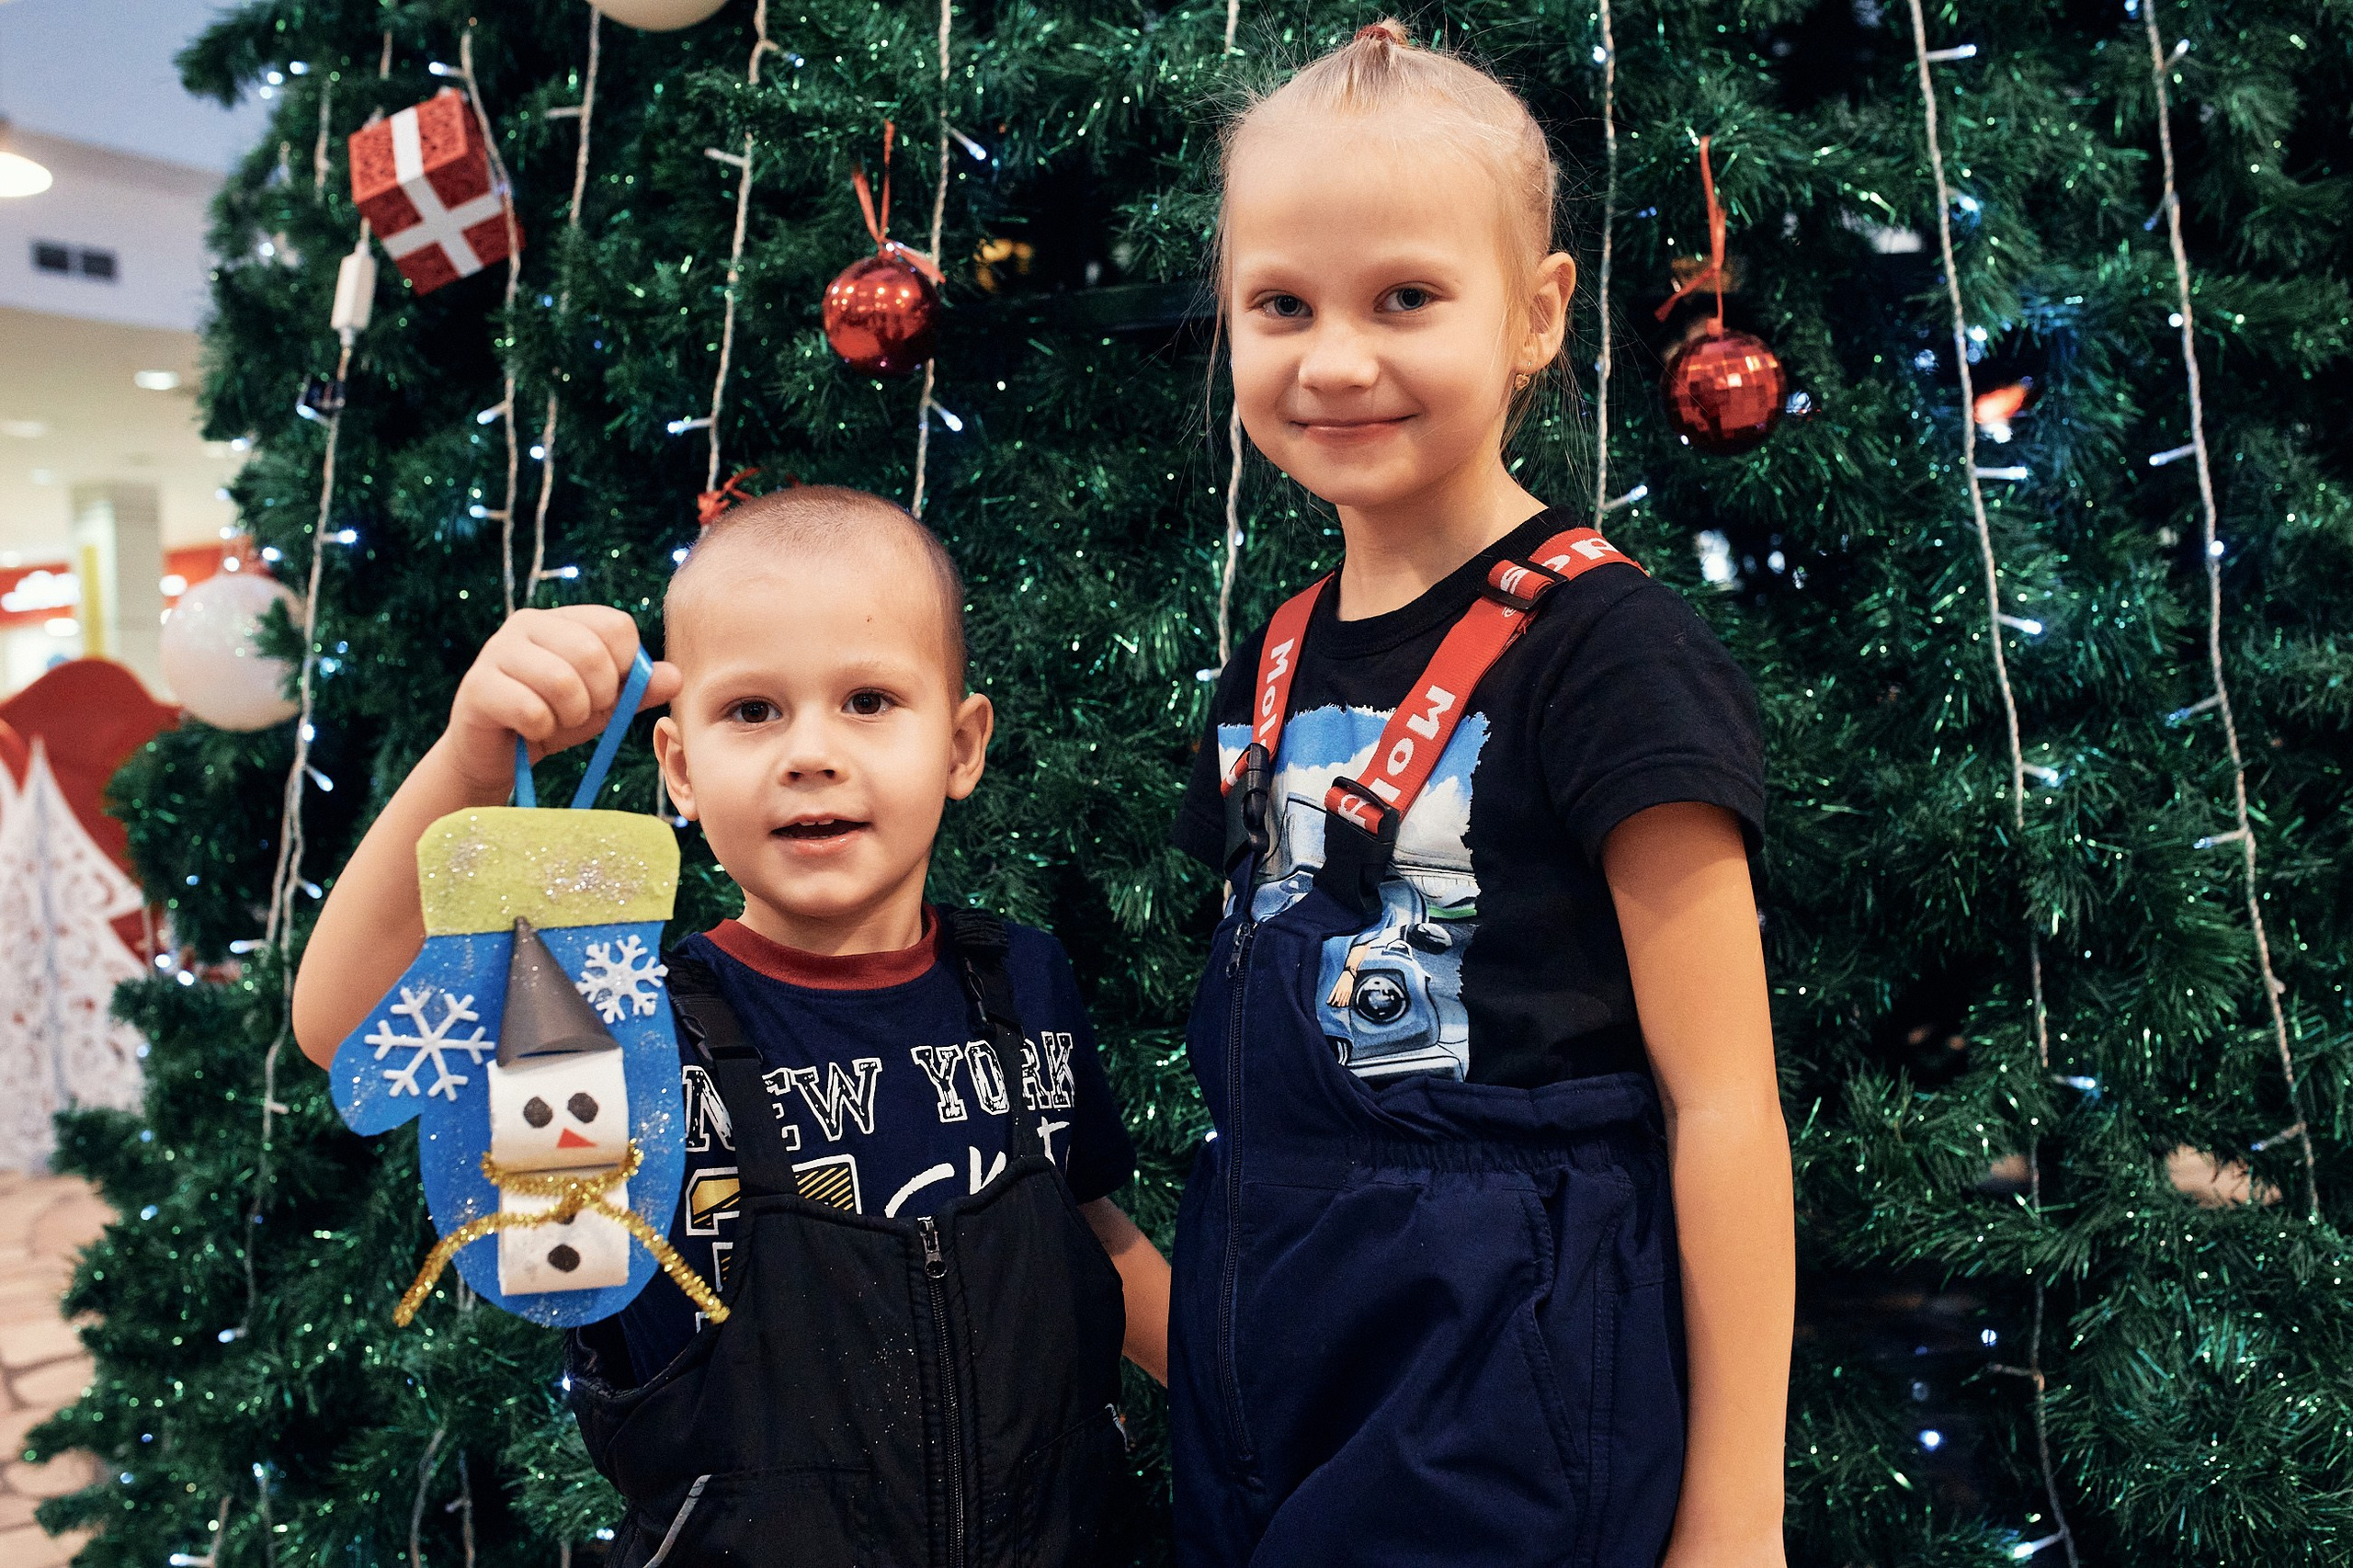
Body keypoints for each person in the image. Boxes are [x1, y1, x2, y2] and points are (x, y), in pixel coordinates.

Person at [1166, 21, 1791, 1568]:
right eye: (1280, 305)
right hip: (1274, 1350)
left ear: (1535, 316)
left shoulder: (1612, 653)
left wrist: (1736, 1521)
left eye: (1406, 300)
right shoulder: (1277, 650)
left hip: (1504, 1382)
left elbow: (1724, 1105)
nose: (1334, 359)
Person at [292, 485, 1170, 1567]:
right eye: (752, 711)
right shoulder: (614, 1023)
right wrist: (476, 757)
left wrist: (1271, 1411)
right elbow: (343, 1025)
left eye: (868, 700)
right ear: (678, 767)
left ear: (961, 742)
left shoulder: (1024, 979)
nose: (810, 751)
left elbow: (1095, 1236)